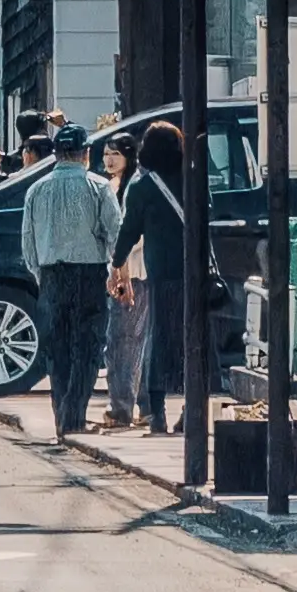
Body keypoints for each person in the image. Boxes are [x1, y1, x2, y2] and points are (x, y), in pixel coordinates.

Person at [19, 118, 122, 435]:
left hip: (51, 276)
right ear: (85, 154)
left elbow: (28, 243)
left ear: (56, 154)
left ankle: (62, 416)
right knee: (88, 349)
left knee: (57, 350)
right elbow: (116, 233)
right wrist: (113, 270)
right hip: (90, 274)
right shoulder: (99, 187)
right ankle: (73, 415)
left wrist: (41, 276)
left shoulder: (36, 190)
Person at [113, 120, 188, 440]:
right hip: (192, 271)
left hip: (160, 272)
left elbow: (129, 229)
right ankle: (191, 410)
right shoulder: (193, 181)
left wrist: (116, 264)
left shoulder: (142, 188)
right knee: (192, 340)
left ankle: (158, 414)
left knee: (159, 338)